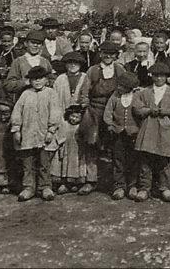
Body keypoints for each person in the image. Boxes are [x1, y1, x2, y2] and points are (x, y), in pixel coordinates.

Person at [77, 41, 127, 195]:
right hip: (95, 111)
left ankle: (116, 183)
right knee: (92, 146)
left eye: (112, 54)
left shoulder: (119, 69)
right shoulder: (93, 70)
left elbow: (125, 89)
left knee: (115, 148)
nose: (108, 56)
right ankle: (91, 181)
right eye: (105, 53)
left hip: (113, 110)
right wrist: (86, 108)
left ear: (116, 55)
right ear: (100, 53)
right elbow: (85, 92)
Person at [10, 65, 62, 202]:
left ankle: (45, 187)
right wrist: (16, 129)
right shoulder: (26, 94)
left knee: (44, 163)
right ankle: (28, 187)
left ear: (46, 80)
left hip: (45, 134)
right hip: (28, 134)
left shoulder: (51, 93)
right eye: (34, 79)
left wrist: (51, 130)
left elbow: (56, 113)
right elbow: (17, 112)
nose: (37, 82)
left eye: (40, 79)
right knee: (28, 164)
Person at [132, 62, 170, 202]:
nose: (159, 79)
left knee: (163, 161)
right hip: (148, 128)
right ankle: (144, 188)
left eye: (162, 76)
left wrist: (168, 111)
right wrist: (148, 110)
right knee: (146, 160)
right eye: (156, 76)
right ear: (152, 76)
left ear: (166, 77)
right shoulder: (145, 92)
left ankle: (164, 187)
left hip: (165, 130)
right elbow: (137, 108)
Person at [103, 71, 140, 200]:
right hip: (118, 133)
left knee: (133, 160)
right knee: (118, 160)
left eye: (122, 86)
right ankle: (119, 186)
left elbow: (141, 114)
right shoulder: (115, 96)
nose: (119, 88)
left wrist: (139, 128)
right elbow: (108, 112)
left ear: (130, 87)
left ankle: (132, 186)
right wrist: (111, 125)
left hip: (134, 134)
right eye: (118, 85)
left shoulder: (137, 96)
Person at [4, 30, 52, 99]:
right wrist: (24, 83)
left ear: (42, 46)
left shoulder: (45, 62)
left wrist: (46, 82)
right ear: (26, 44)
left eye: (38, 43)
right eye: (32, 43)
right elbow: (8, 85)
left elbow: (51, 78)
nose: (35, 45)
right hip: (25, 99)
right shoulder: (18, 62)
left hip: (43, 99)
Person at [53, 104, 86, 194]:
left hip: (76, 150)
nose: (74, 119)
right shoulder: (65, 124)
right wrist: (61, 143)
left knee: (75, 166)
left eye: (77, 117)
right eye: (72, 116)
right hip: (66, 149)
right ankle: (64, 184)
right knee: (64, 165)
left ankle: (74, 183)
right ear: (68, 115)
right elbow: (60, 135)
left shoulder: (80, 127)